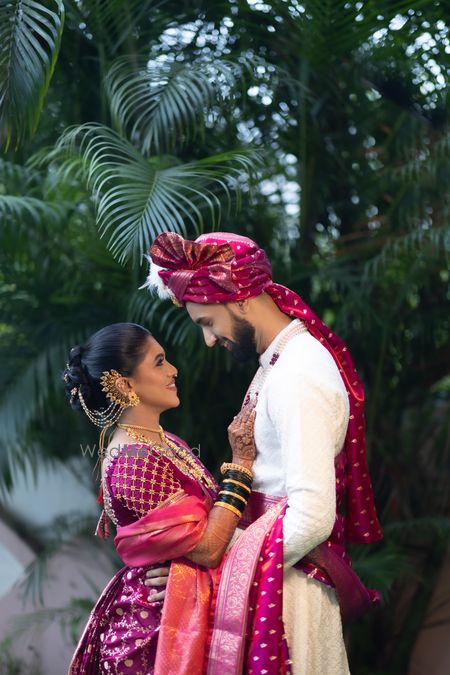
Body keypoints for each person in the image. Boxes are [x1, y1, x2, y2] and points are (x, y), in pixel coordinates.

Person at [146, 231, 384, 674]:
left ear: (239, 300)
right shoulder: (280, 363)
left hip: (288, 596)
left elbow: (312, 515)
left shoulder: (299, 373)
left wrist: (214, 569)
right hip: (275, 581)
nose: (209, 340)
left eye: (207, 323)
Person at [63, 322, 257, 674]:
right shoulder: (134, 462)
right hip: (160, 635)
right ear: (125, 385)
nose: (173, 370)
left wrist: (187, 575)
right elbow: (207, 548)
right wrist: (241, 466)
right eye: (159, 362)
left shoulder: (158, 440)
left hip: (179, 610)